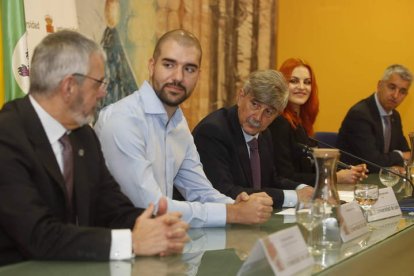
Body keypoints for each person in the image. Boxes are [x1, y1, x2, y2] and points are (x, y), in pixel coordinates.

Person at [0, 30, 189, 266]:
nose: (103, 92)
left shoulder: (84, 136)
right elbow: (38, 235)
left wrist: (153, 223)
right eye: (98, 83)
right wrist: (131, 242)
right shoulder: (7, 136)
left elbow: (111, 207)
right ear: (69, 86)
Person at [94, 29, 273, 228]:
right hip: (115, 248)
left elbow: (200, 191)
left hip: (161, 242)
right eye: (169, 65)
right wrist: (232, 213)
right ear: (152, 66)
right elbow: (152, 207)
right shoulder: (122, 120)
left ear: (199, 75)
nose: (178, 77)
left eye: (189, 69)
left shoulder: (179, 124)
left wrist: (238, 205)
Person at [192, 69, 313, 208]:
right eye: (255, 104)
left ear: (277, 115)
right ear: (240, 96)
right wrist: (293, 197)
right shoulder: (213, 131)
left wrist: (303, 189)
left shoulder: (264, 134)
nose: (258, 118)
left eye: (269, 111)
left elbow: (271, 180)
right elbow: (224, 192)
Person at [268, 58, 367, 184]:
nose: (302, 87)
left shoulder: (300, 121)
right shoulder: (279, 122)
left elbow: (310, 167)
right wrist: (334, 177)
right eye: (294, 81)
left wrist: (348, 170)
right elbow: (286, 177)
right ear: (281, 85)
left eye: (307, 82)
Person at [337, 64, 412, 172]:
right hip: (353, 182)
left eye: (402, 91)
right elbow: (372, 162)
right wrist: (399, 155)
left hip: (380, 181)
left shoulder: (395, 116)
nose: (396, 95)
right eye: (392, 87)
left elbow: (408, 154)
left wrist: (397, 162)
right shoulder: (360, 115)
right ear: (379, 85)